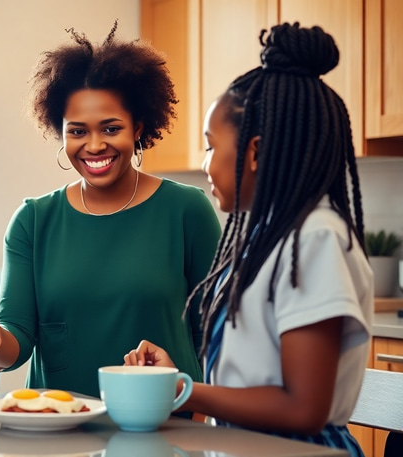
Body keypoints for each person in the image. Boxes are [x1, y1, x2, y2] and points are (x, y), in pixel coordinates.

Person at [0, 22, 222, 398]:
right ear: (59, 131)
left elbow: (217, 330)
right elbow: (17, 337)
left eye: (110, 129)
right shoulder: (33, 221)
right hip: (59, 429)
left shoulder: (186, 210)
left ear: (138, 127)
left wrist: (199, 403)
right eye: (77, 131)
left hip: (165, 419)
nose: (94, 145)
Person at [125, 23, 372, 455]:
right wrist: (179, 383)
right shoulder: (268, 237)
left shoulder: (315, 239)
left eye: (209, 146)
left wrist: (182, 390)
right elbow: (252, 380)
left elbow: (303, 409)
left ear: (254, 153)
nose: (205, 165)